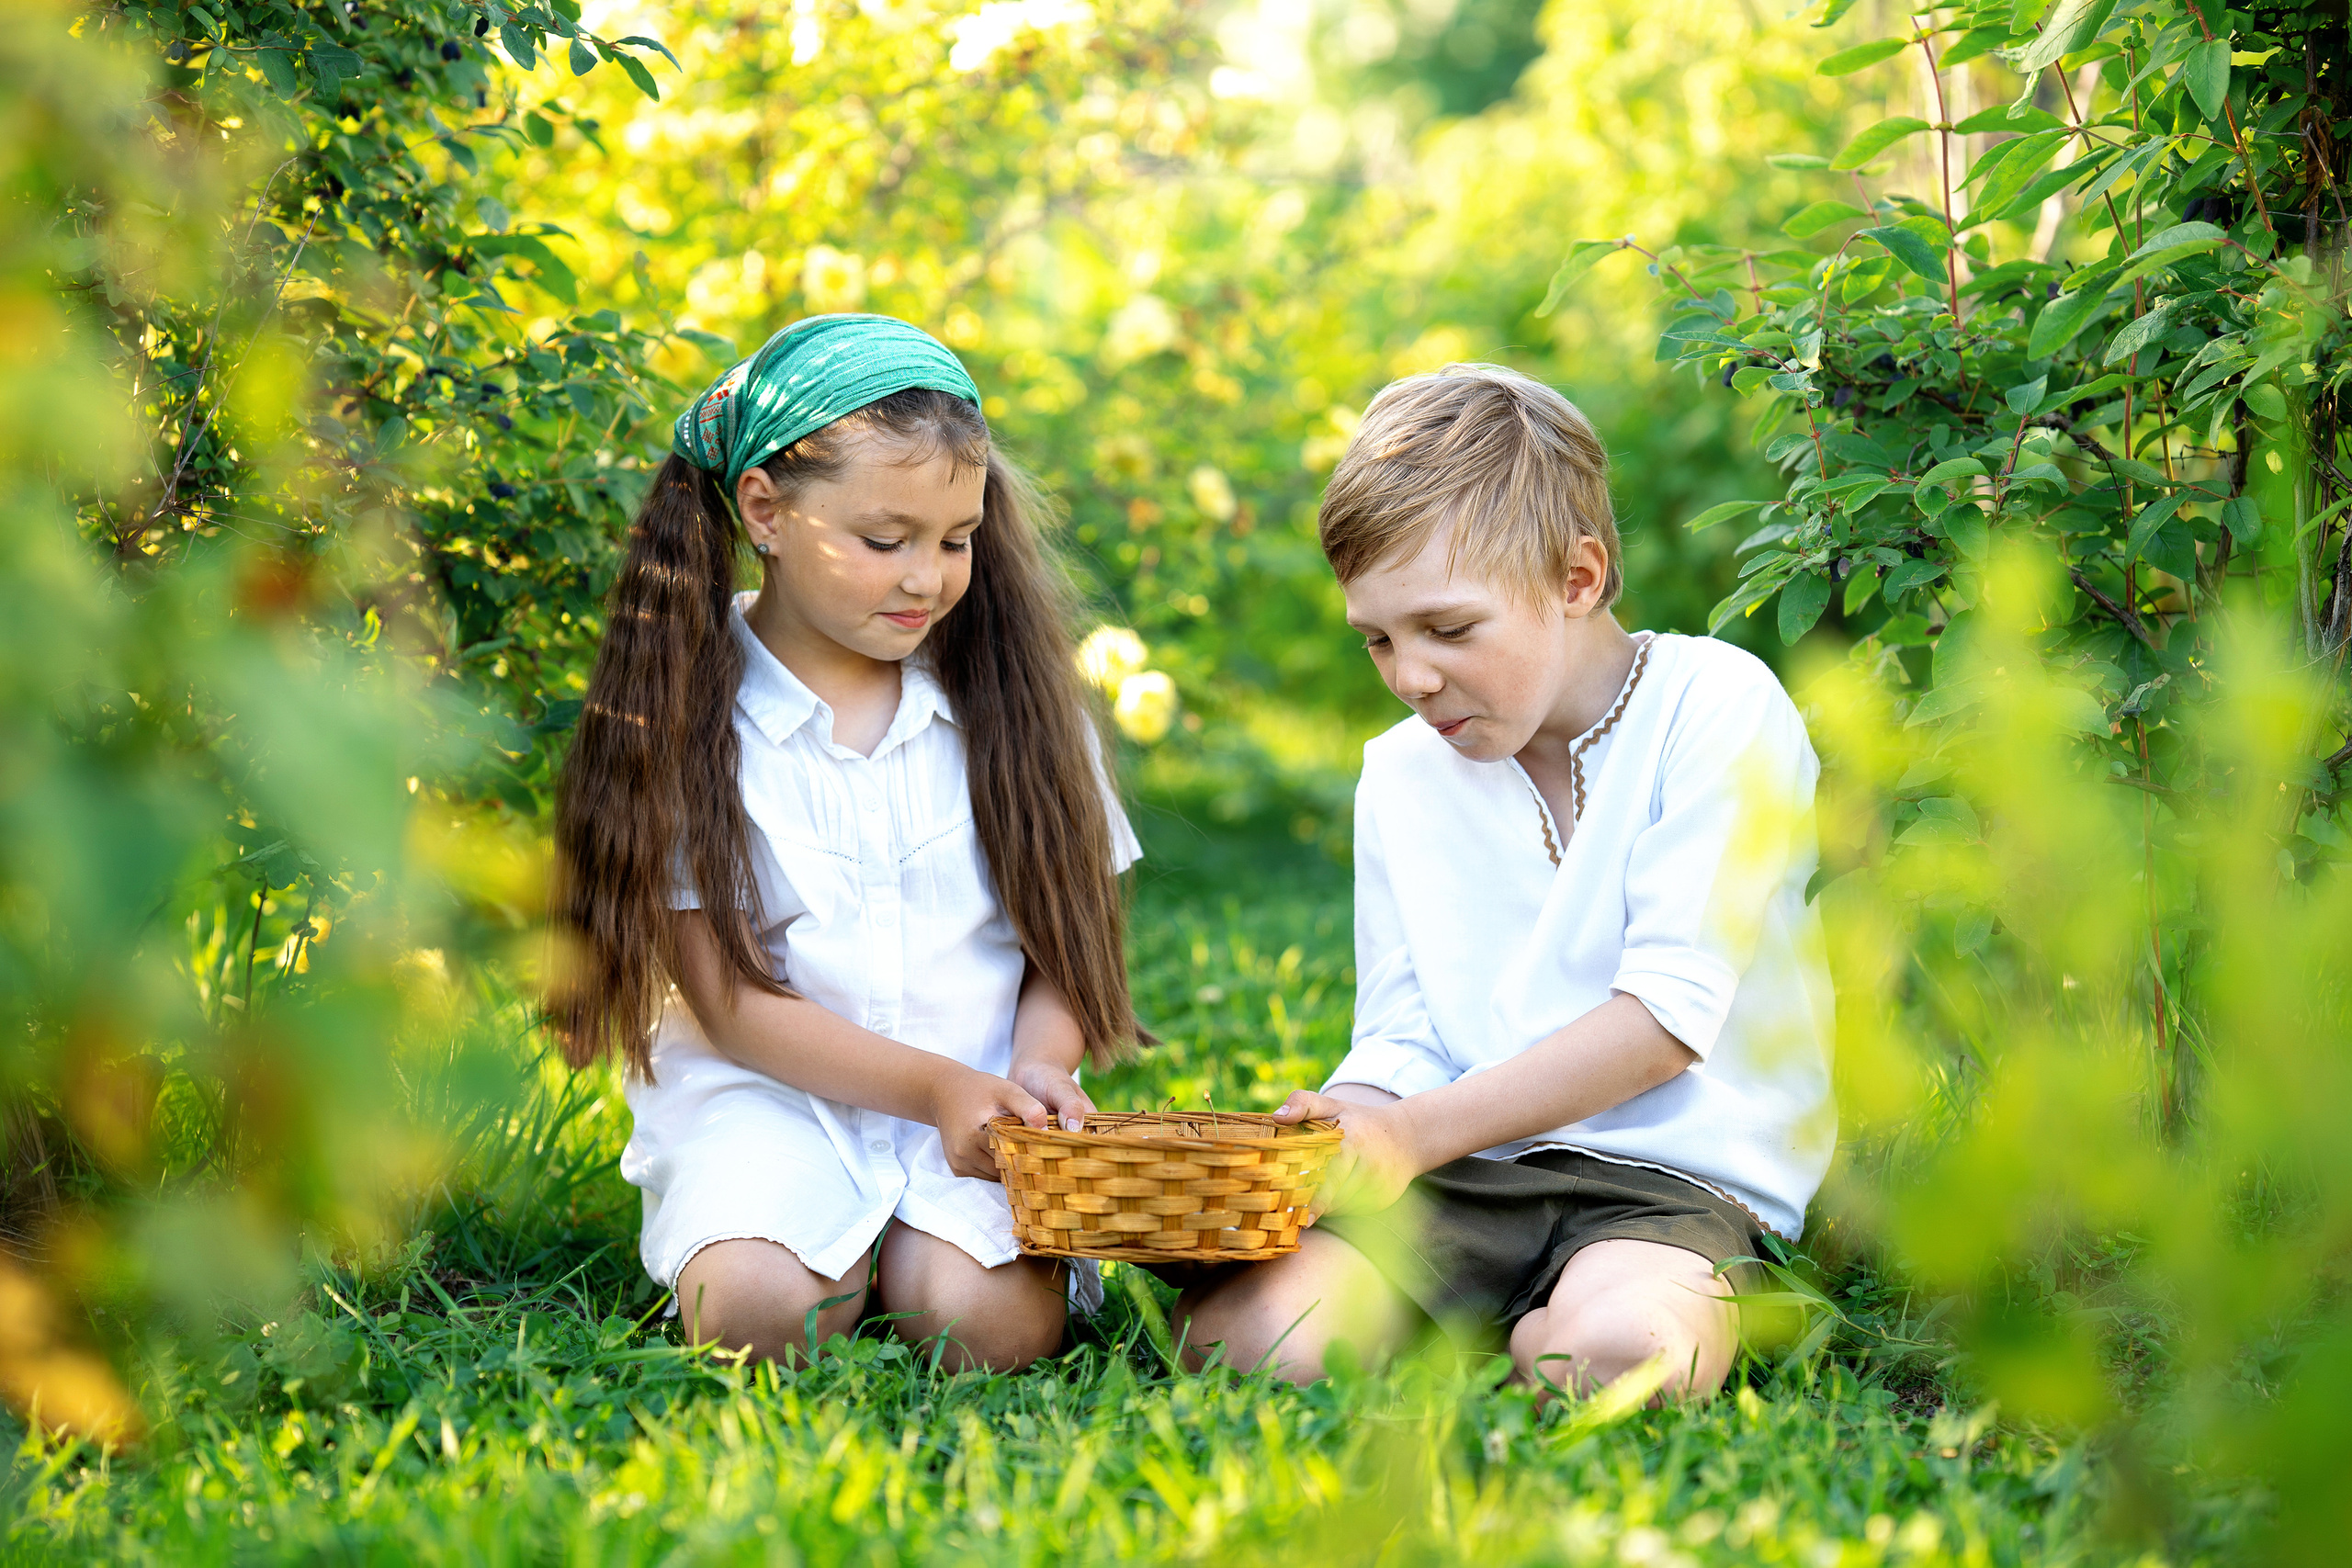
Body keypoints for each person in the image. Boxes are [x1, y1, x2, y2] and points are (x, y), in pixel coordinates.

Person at [1177, 364, 1834, 1398]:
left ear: (1577, 579)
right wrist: (1344, 1128)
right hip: (1470, 1177)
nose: (1410, 677)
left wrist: (1410, 1133)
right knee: (1252, 1338)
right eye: (1377, 639)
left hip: (1673, 1183)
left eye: (1447, 630)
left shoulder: (1714, 705)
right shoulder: (1401, 772)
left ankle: (1556, 1318)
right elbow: (1404, 1031)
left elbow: (1667, 1021)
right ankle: (1500, 1310)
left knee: (1619, 1356)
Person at [548, 314, 1147, 1371]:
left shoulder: (1016, 703)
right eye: (885, 541)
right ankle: (814, 1253)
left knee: (987, 1330)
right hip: (766, 1099)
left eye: (955, 541)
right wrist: (931, 1089)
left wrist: (1036, 1065)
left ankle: (906, 1257)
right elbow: (727, 1004)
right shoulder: (683, 712)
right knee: (759, 1315)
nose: (927, 578)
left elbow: (1066, 945)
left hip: (976, 1102)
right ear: (766, 511)